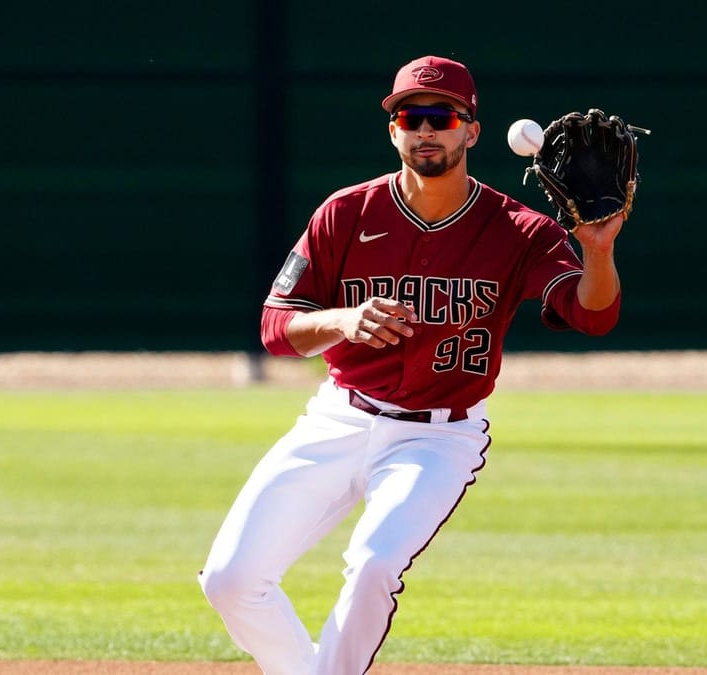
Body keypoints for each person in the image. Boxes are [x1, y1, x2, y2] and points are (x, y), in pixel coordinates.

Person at [198, 54, 624, 675]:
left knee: (373, 564)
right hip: (338, 418)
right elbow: (276, 326)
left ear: (471, 130)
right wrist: (342, 320)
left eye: (442, 116)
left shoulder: (519, 229)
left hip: (437, 437)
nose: (425, 128)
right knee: (230, 581)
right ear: (393, 129)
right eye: (409, 116)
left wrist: (599, 252)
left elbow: (593, 315)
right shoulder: (346, 212)